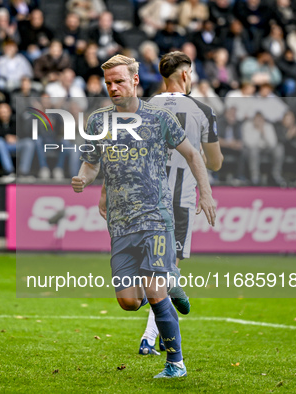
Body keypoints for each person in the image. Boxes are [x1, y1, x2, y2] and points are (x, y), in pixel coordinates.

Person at [72, 54, 216, 378]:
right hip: (121, 224)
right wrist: (86, 178)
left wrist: (205, 192)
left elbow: (193, 154)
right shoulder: (98, 122)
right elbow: (93, 162)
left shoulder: (158, 118)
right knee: (128, 301)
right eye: (108, 83)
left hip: (156, 217)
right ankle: (171, 279)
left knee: (154, 291)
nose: (113, 87)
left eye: (119, 81)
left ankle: (175, 363)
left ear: (135, 80)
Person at [127, 51, 223, 356]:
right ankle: (171, 292)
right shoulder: (203, 109)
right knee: (164, 275)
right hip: (178, 201)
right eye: (191, 73)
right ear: (184, 75)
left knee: (154, 273)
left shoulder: (144, 107)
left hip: (145, 199)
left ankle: (148, 339)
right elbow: (216, 163)